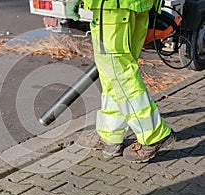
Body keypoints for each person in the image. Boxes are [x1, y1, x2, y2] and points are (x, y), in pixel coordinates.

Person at [66, 0, 176, 163]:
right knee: (114, 74)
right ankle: (110, 134)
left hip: (112, 8)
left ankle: (153, 134)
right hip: (138, 6)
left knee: (118, 73)